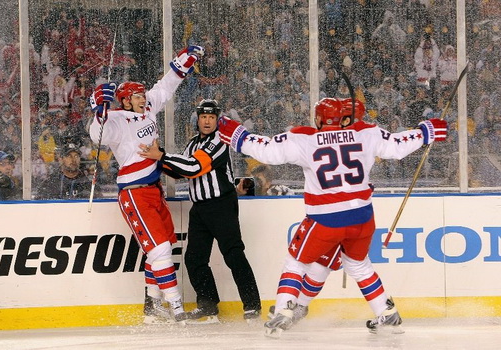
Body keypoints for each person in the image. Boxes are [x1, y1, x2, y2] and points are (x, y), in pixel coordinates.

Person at [218, 97, 448, 337]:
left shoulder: (304, 138)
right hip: (362, 217)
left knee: (296, 261)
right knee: (358, 265)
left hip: (326, 219)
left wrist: (238, 135)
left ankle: (285, 310)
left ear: (319, 118)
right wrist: (426, 131)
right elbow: (398, 145)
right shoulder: (366, 133)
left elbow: (267, 150)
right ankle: (386, 312)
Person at [88, 45, 204, 324]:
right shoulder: (116, 119)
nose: (143, 99)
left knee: (162, 246)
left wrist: (182, 64)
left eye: (142, 95)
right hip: (134, 194)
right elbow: (97, 135)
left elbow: (165, 87)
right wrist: (98, 108)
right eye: (136, 96)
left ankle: (153, 305)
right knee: (161, 250)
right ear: (125, 101)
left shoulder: (149, 106)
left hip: (154, 191)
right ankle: (176, 307)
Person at [138, 99, 262, 323]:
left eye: (211, 117)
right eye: (203, 117)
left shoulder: (219, 142)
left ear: (217, 120)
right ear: (198, 119)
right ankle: (208, 305)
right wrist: (157, 158)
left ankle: (252, 306)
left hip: (221, 205)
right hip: (200, 209)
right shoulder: (194, 142)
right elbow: (180, 172)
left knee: (233, 255)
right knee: (194, 259)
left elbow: (194, 167)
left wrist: (162, 156)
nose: (207, 121)